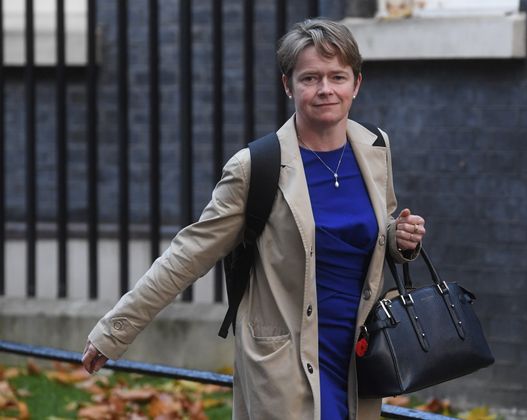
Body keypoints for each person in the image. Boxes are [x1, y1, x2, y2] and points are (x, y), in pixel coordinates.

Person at [82, 18, 425, 420]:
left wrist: (401, 240)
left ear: (357, 84)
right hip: (286, 364)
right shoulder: (257, 166)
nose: (326, 90)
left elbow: (378, 233)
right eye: (310, 78)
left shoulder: (375, 147)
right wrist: (114, 331)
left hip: (358, 354)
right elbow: (186, 254)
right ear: (288, 85)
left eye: (338, 77)